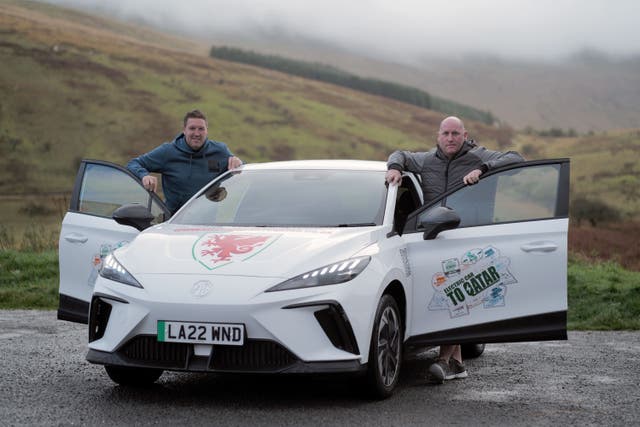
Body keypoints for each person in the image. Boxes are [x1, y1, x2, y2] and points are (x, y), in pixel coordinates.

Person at [385, 116, 524, 383]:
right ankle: (458, 364)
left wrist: (484, 169)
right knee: (447, 296)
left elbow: (517, 159)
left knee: (456, 295)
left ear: (464, 135)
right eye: (446, 133)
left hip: (470, 240)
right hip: (436, 240)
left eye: (455, 134)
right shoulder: (426, 161)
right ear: (438, 136)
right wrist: (394, 167)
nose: (450, 138)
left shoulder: (478, 156)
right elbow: (400, 153)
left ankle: (444, 359)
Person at [127, 110, 242, 215]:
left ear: (207, 131)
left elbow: (242, 170)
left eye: (201, 129)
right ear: (184, 130)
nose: (197, 133)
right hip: (174, 221)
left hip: (208, 222)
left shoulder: (219, 151)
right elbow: (133, 164)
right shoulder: (168, 151)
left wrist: (239, 162)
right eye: (192, 128)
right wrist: (144, 175)